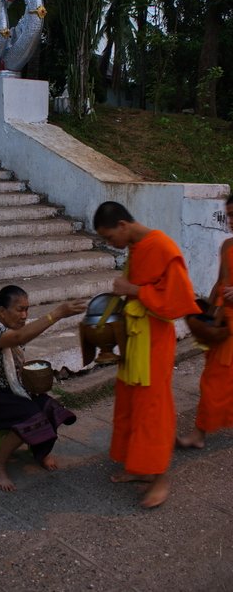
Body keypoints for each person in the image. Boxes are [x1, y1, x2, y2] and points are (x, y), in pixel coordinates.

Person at [93, 201, 200, 509]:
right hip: (134, 337)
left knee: (153, 408)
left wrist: (135, 291)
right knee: (131, 402)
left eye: (110, 237)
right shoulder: (137, 246)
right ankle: (141, 467)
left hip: (155, 340)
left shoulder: (162, 246)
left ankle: (162, 477)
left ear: (123, 226)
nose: (110, 244)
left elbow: (179, 300)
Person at [0, 285, 86, 492]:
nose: (24, 315)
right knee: (31, 415)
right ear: (2, 311)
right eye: (20, 310)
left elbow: (15, 362)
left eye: (27, 309)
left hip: (6, 389)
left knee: (48, 405)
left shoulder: (11, 327)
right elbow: (19, 338)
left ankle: (40, 450)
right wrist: (57, 314)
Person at [178, 195, 233, 449]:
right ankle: (199, 434)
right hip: (224, 324)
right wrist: (206, 314)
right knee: (212, 379)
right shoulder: (227, 246)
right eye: (229, 215)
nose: (231, 221)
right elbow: (220, 282)